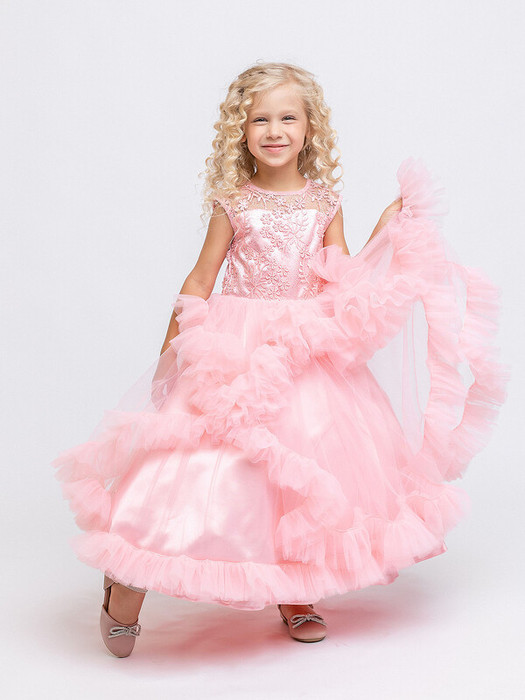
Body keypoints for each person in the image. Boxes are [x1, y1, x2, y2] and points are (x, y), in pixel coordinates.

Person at [52, 61, 508, 657]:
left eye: (288, 118)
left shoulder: (325, 202)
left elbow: (341, 280)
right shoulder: (233, 203)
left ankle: (295, 589)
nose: (274, 131)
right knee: (199, 465)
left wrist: (383, 233)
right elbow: (202, 277)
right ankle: (125, 582)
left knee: (305, 460)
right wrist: (174, 346)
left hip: (303, 347)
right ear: (240, 132)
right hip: (235, 346)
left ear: (310, 128)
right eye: (259, 119)